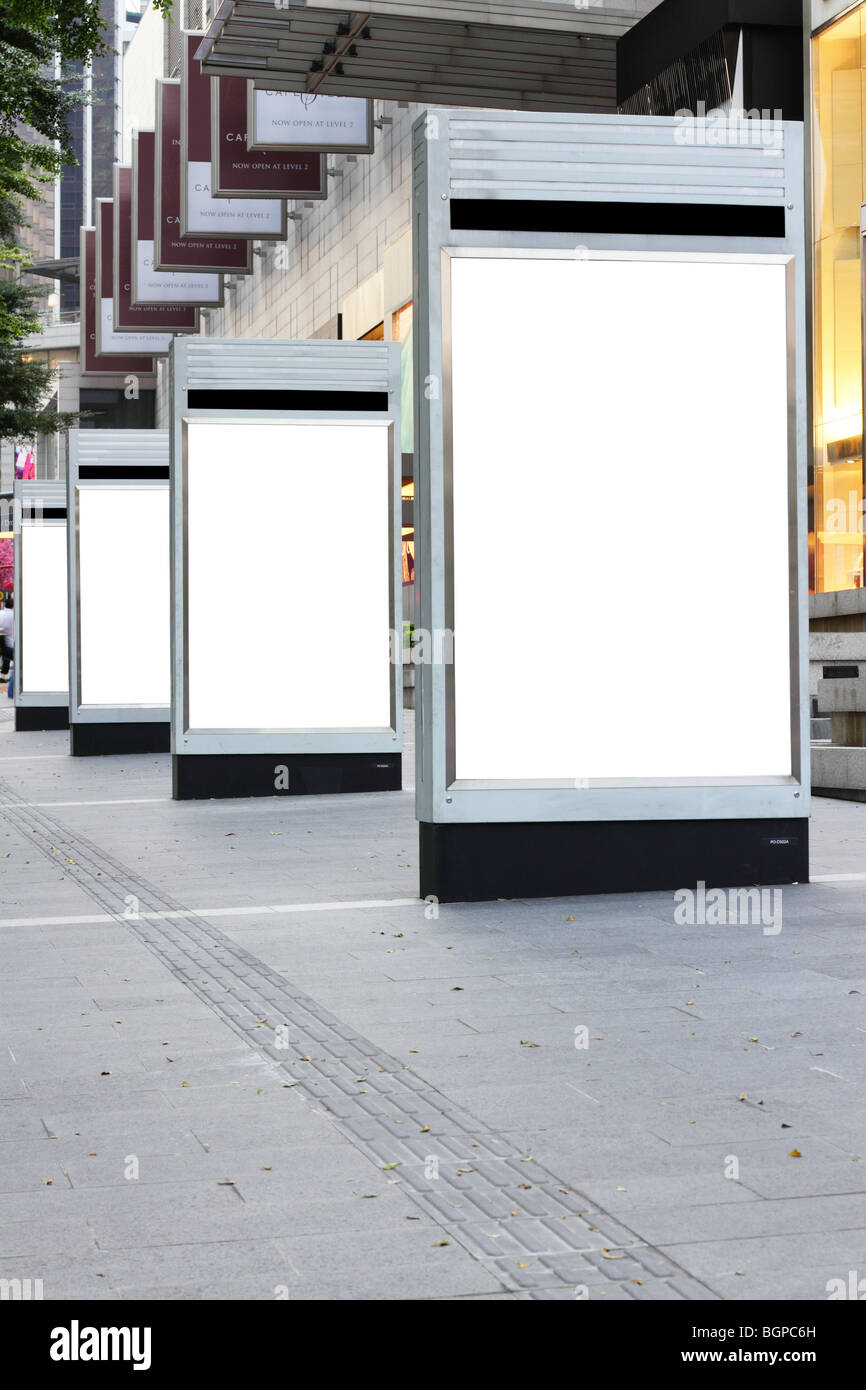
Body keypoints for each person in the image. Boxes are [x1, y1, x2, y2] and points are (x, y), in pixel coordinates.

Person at [0, 596, 13, 682]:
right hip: (9, 643)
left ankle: (3, 677)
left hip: (2, 641)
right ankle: (3, 676)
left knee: (5, 657)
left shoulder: (0, 613)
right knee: (7, 658)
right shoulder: (14, 615)